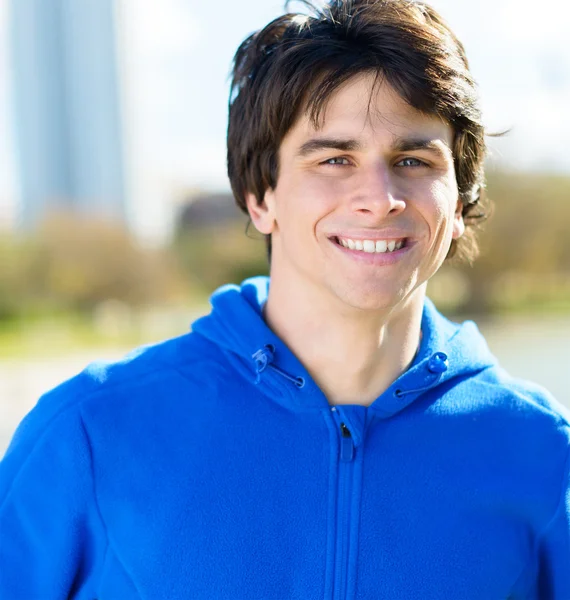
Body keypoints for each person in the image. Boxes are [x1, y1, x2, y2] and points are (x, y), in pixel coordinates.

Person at [1, 0, 569, 597]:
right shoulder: (89, 431)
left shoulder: (540, 451)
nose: (379, 198)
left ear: (457, 203)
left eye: (412, 159)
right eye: (333, 159)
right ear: (259, 196)